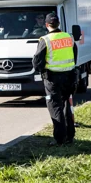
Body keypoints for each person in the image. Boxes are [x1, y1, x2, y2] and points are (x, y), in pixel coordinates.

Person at [32, 13, 78, 146]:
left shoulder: (45, 40)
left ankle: (60, 139)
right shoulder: (69, 37)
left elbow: (37, 62)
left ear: (47, 25)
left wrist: (41, 70)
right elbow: (74, 55)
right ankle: (70, 136)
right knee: (67, 106)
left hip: (52, 78)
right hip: (69, 76)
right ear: (58, 24)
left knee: (55, 107)